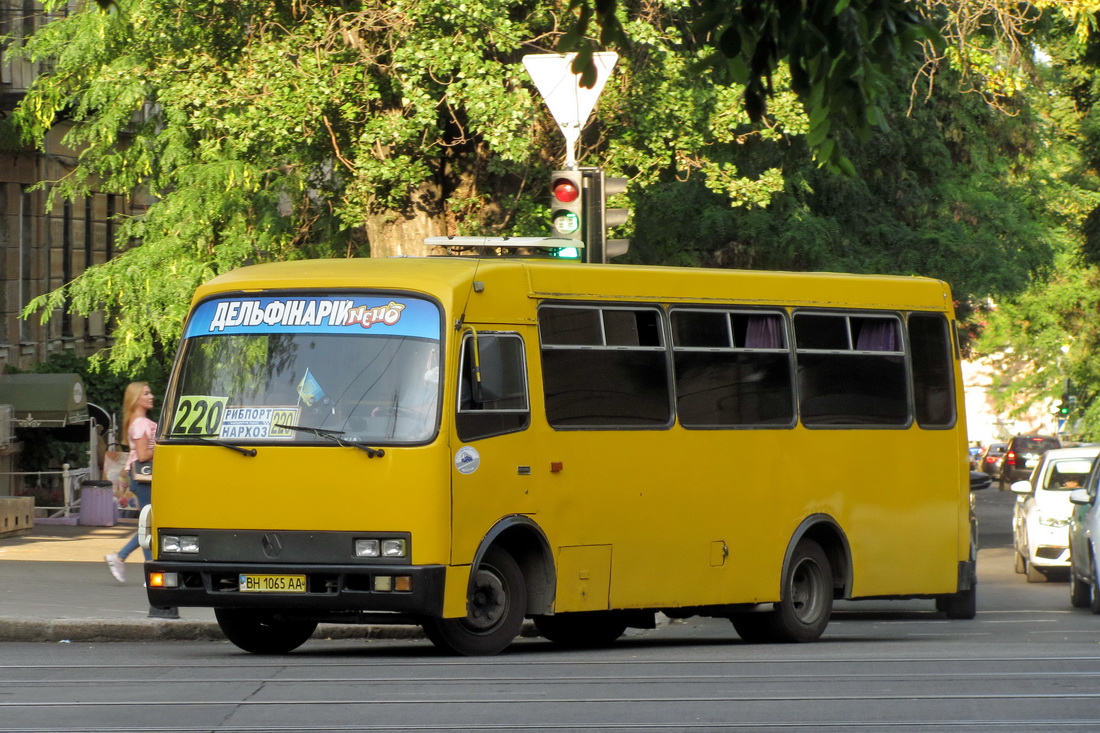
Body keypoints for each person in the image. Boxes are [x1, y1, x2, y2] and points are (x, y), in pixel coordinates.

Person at [104, 382, 156, 584]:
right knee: (149, 526)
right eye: (146, 393)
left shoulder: (138, 421)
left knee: (149, 525)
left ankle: (120, 558)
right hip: (143, 477)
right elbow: (143, 455)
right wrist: (163, 448)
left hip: (140, 477)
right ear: (136, 399)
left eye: (149, 392)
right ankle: (126, 561)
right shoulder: (141, 423)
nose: (151, 396)